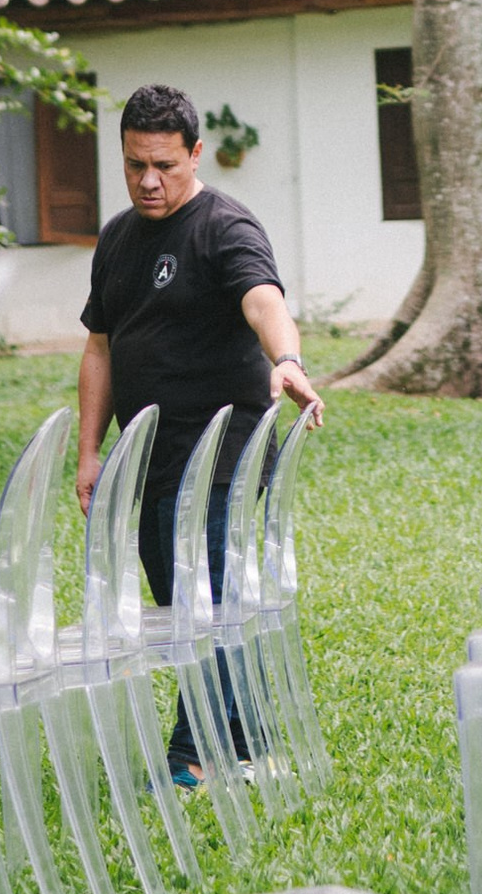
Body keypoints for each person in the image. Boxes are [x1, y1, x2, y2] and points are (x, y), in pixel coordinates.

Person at [74, 82, 322, 783]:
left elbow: (262, 298)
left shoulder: (225, 226)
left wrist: (289, 359)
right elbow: (100, 347)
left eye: (165, 166)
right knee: (182, 607)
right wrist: (92, 451)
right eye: (134, 165)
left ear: (195, 154)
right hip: (149, 458)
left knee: (208, 602)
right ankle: (248, 744)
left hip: (223, 456)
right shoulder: (119, 238)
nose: (149, 182)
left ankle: (194, 754)